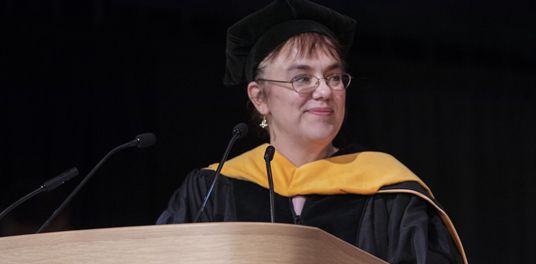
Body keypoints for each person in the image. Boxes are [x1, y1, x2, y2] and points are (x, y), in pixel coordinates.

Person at [157, 0, 467, 263]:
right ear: (259, 97)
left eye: (333, 76)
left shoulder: (392, 194)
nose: (324, 91)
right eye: (302, 78)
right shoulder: (212, 191)